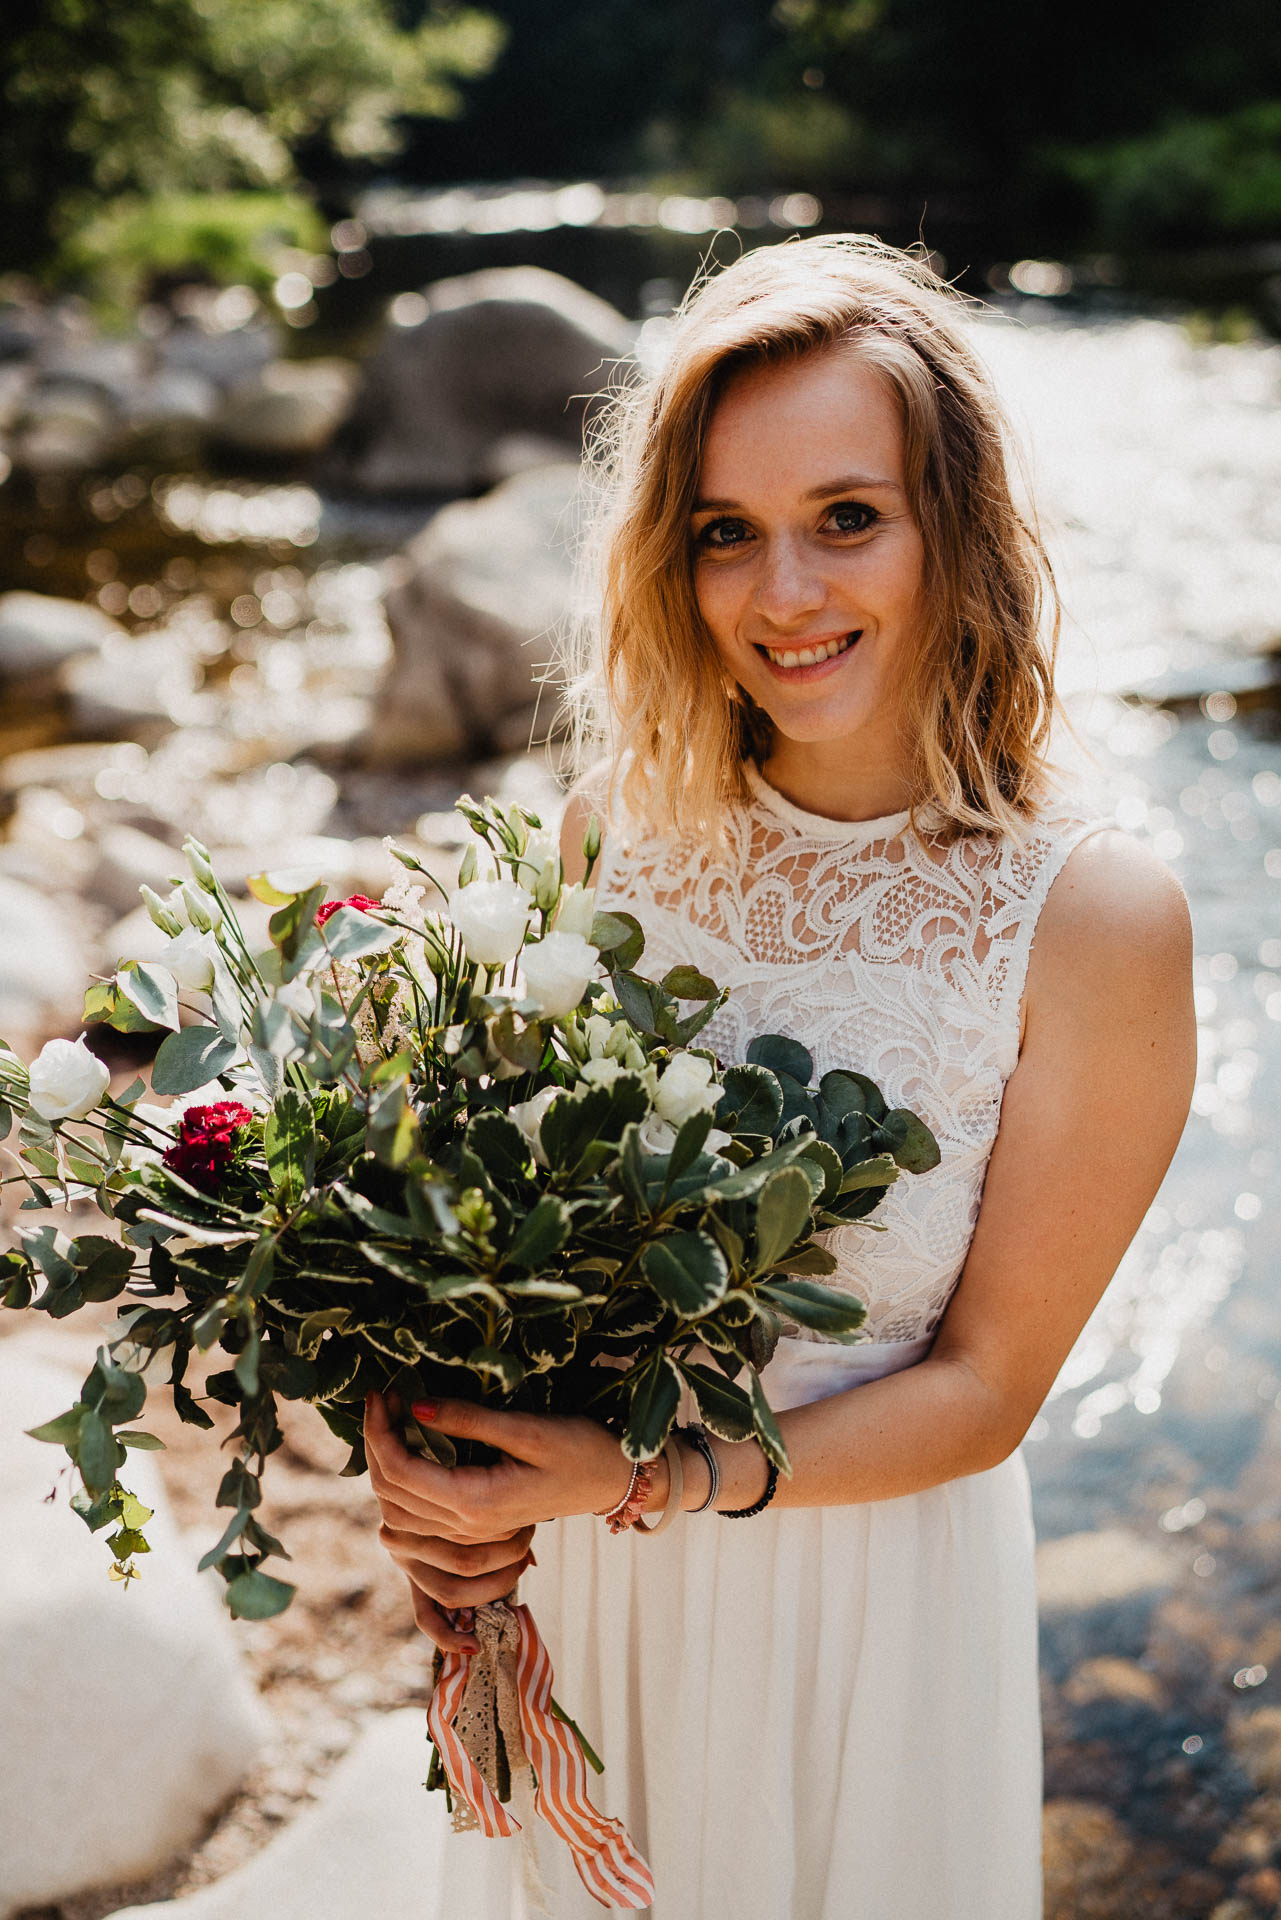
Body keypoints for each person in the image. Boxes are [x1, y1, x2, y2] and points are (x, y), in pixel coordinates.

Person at [363, 235, 1196, 1918]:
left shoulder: (1091, 916)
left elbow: (985, 1390)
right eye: (724, 534)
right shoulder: (614, 833)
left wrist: (649, 1479)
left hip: (860, 1604)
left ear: (953, 528)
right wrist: (428, 1446)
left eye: (846, 518)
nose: (782, 597)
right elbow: (492, 1245)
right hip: (587, 1575)